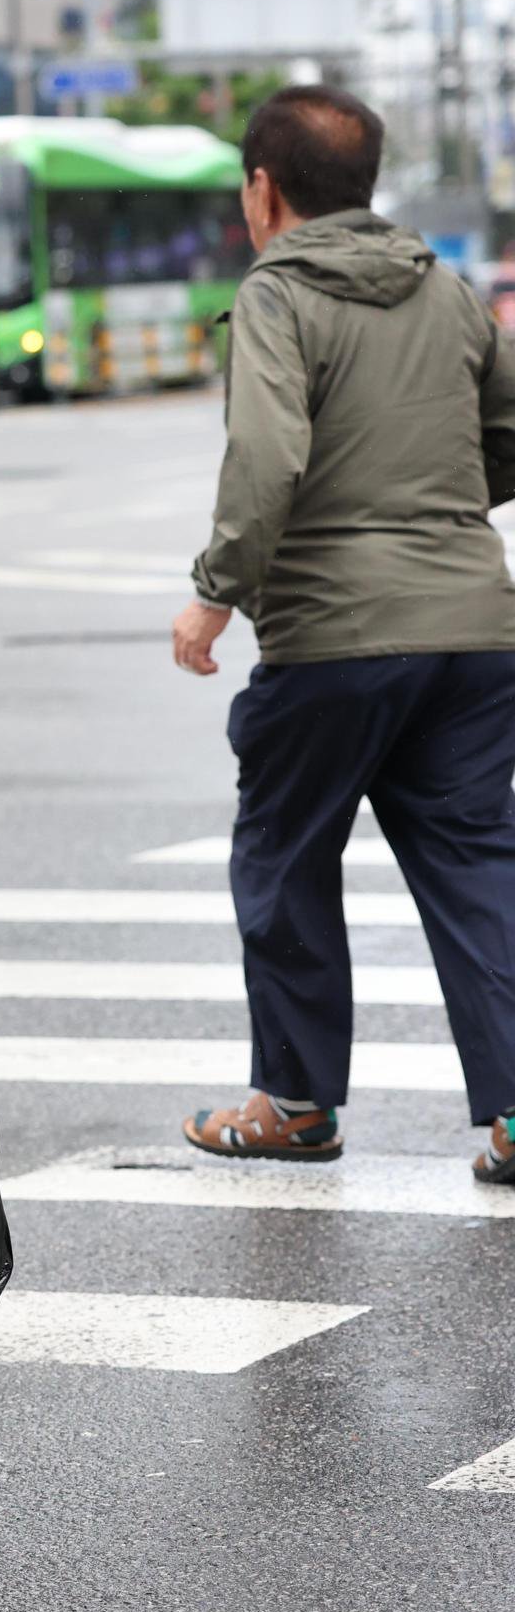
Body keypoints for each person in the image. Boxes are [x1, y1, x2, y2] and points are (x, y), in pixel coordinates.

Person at [173, 84, 515, 1182]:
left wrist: (215, 589)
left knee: (282, 859)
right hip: (472, 632)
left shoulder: (277, 298)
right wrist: (441, 519)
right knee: (475, 866)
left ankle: (293, 1103)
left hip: (329, 637)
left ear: (262, 191)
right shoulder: (449, 292)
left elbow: (265, 461)